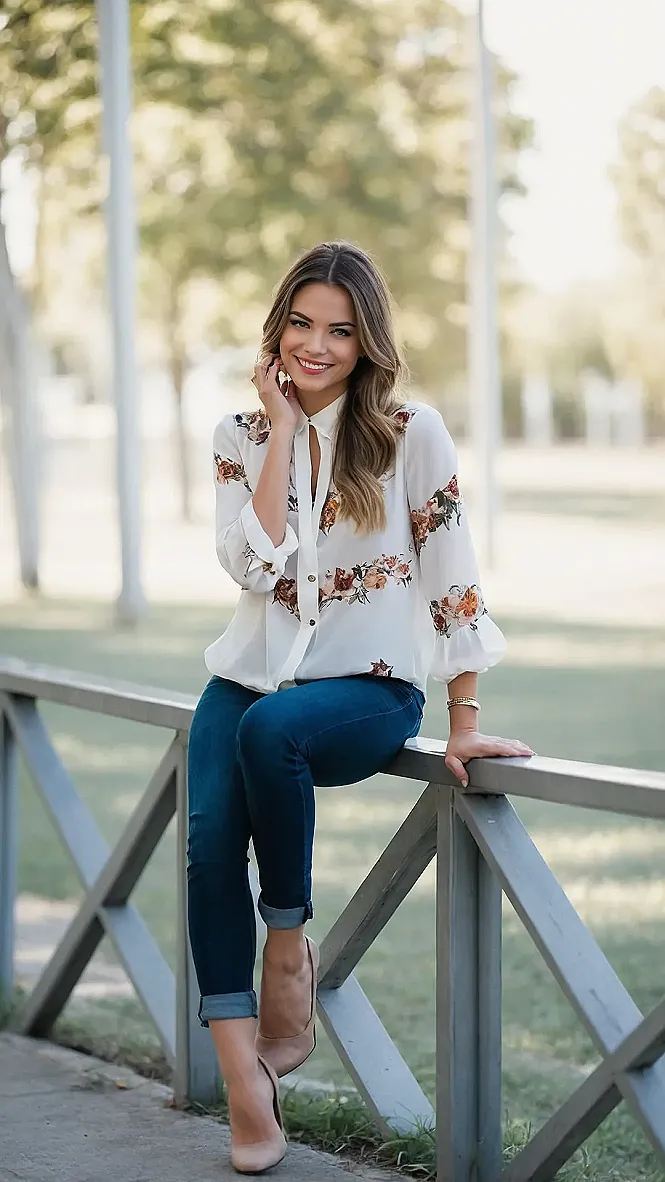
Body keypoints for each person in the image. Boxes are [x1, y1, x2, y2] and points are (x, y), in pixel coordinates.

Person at [187, 240, 533, 1174]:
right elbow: (250, 565)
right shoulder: (237, 434)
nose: (316, 345)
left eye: (340, 330)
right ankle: (243, 1086)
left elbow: (452, 570)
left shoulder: (410, 430)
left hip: (367, 688)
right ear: (277, 328)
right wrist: (281, 427)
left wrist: (461, 721)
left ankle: (287, 950)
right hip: (248, 675)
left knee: (273, 734)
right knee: (208, 844)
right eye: (301, 323)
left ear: (367, 340)